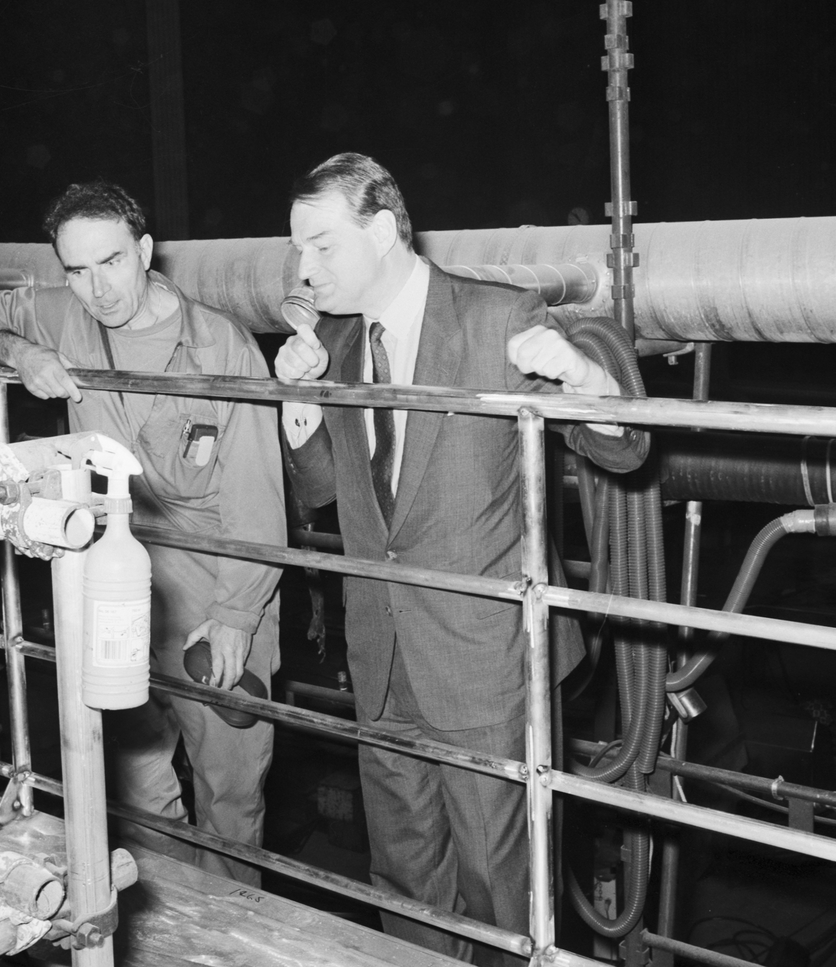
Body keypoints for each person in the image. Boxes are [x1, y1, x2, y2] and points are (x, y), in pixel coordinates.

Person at [274, 153, 648, 964]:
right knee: (405, 884)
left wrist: (585, 377)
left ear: (382, 230)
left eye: (321, 246)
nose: (303, 269)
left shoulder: (494, 317)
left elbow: (625, 450)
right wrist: (298, 405)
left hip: (484, 664)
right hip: (381, 657)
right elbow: (324, 494)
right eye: (298, 249)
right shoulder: (334, 342)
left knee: (501, 892)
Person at [0, 181, 284, 884]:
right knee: (133, 777)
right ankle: (162, 911)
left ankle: (227, 923)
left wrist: (236, 616)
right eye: (77, 270)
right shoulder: (63, 315)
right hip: (111, 574)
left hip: (215, 574)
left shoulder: (222, 345)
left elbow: (257, 496)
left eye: (112, 262)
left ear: (145, 251)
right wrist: (21, 353)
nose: (96, 289)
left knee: (230, 788)